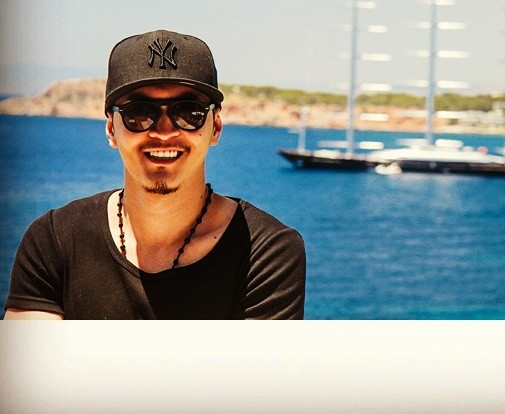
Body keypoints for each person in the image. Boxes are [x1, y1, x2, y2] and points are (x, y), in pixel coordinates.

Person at [4, 30, 306, 319]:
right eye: (139, 113)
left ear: (215, 127)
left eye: (189, 112)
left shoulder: (265, 251)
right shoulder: (54, 241)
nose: (164, 132)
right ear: (111, 129)